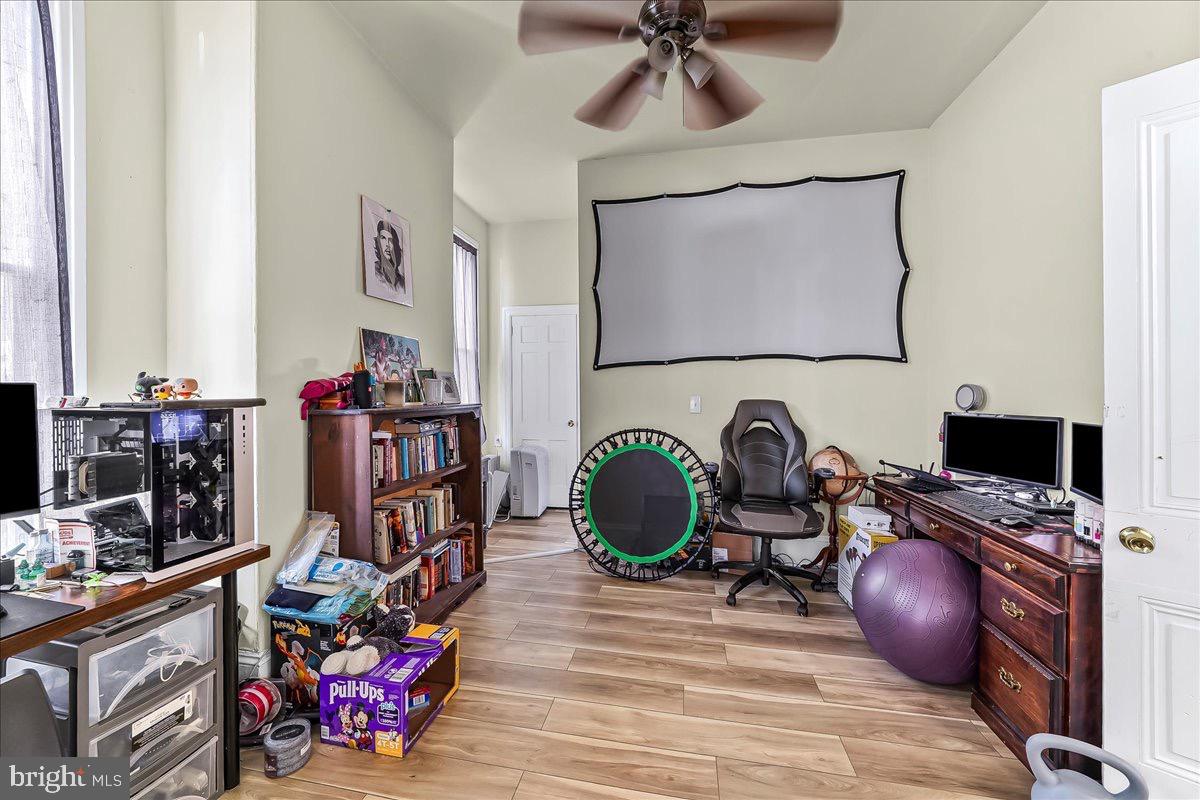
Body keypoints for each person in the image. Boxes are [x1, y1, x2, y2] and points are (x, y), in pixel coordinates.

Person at [374, 220, 405, 293]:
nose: (387, 244)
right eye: (383, 238)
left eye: (390, 240)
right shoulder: (374, 271)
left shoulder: (401, 281)